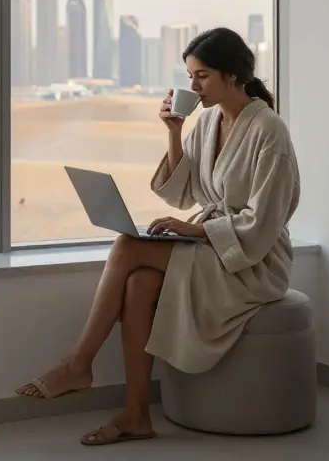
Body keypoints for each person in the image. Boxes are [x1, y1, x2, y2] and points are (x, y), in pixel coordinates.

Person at [15, 27, 302, 446]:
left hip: (255, 260)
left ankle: (78, 363)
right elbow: (183, 190)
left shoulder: (269, 130)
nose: (192, 86)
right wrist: (173, 131)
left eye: (201, 76)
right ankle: (136, 416)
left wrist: (196, 229)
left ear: (232, 75)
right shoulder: (208, 122)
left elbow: (263, 222)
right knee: (139, 283)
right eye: (189, 75)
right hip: (216, 244)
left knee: (128, 246)